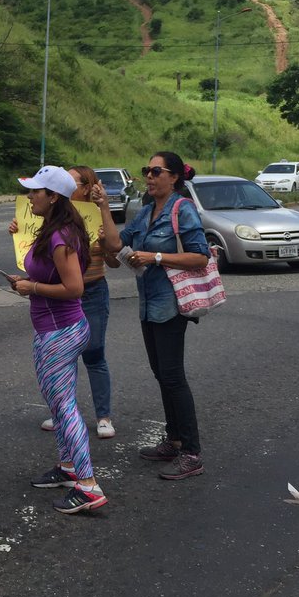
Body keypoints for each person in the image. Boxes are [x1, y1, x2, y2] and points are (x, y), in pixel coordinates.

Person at [103, 151, 211, 480]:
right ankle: (174, 439)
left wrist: (155, 256)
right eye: (146, 171)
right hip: (148, 304)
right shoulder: (147, 211)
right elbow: (114, 242)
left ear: (174, 177)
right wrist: (102, 207)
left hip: (171, 305)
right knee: (161, 373)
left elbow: (200, 257)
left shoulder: (183, 209)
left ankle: (192, 453)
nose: (149, 177)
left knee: (173, 376)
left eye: (156, 171)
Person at [10, 165, 107, 514]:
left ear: (53, 197)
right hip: (59, 329)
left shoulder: (60, 235)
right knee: (59, 404)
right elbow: (50, 276)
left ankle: (88, 484)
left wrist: (30, 287)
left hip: (59, 333)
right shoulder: (58, 229)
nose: (30, 196)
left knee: (64, 408)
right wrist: (24, 281)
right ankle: (68, 467)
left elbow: (74, 288)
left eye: (35, 191)